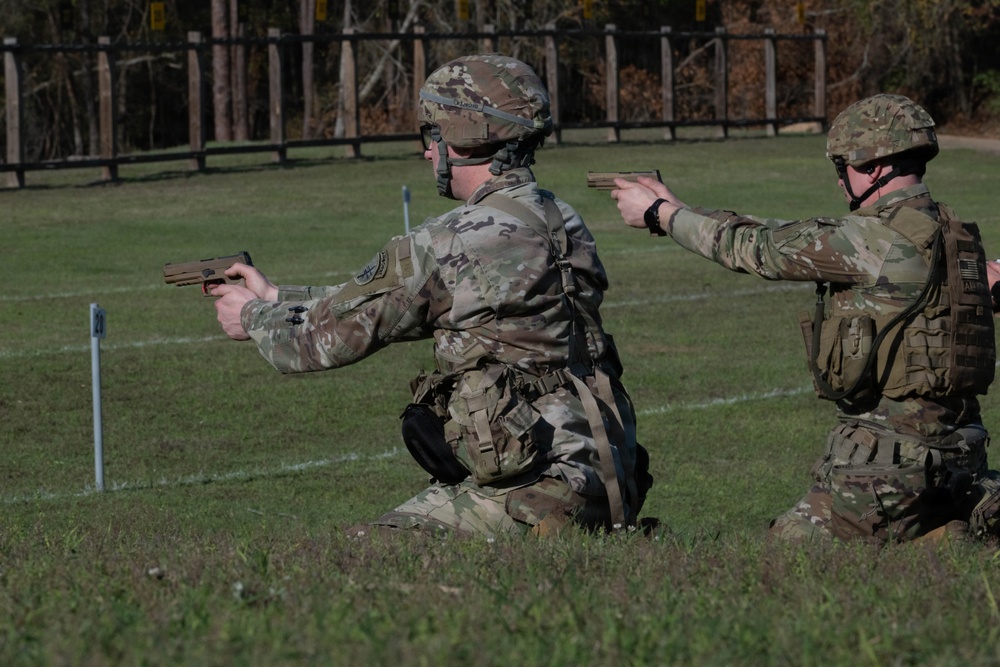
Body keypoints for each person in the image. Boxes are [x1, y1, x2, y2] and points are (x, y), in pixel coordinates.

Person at [211, 54, 652, 537]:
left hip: (534, 493)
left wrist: (251, 316)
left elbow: (319, 342)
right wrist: (277, 295)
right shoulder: (560, 217)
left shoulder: (446, 242)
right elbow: (402, 302)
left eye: (432, 137)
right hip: (607, 478)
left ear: (461, 138)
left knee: (359, 556)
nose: (428, 153)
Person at [610, 93, 998, 544]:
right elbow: (775, 231)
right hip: (962, 455)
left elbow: (756, 248)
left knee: (775, 555)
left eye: (842, 169)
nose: (839, 183)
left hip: (889, 468)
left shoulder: (869, 239)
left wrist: (659, 215)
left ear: (872, 167)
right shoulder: (958, 237)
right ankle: (948, 528)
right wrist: (680, 209)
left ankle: (933, 541)